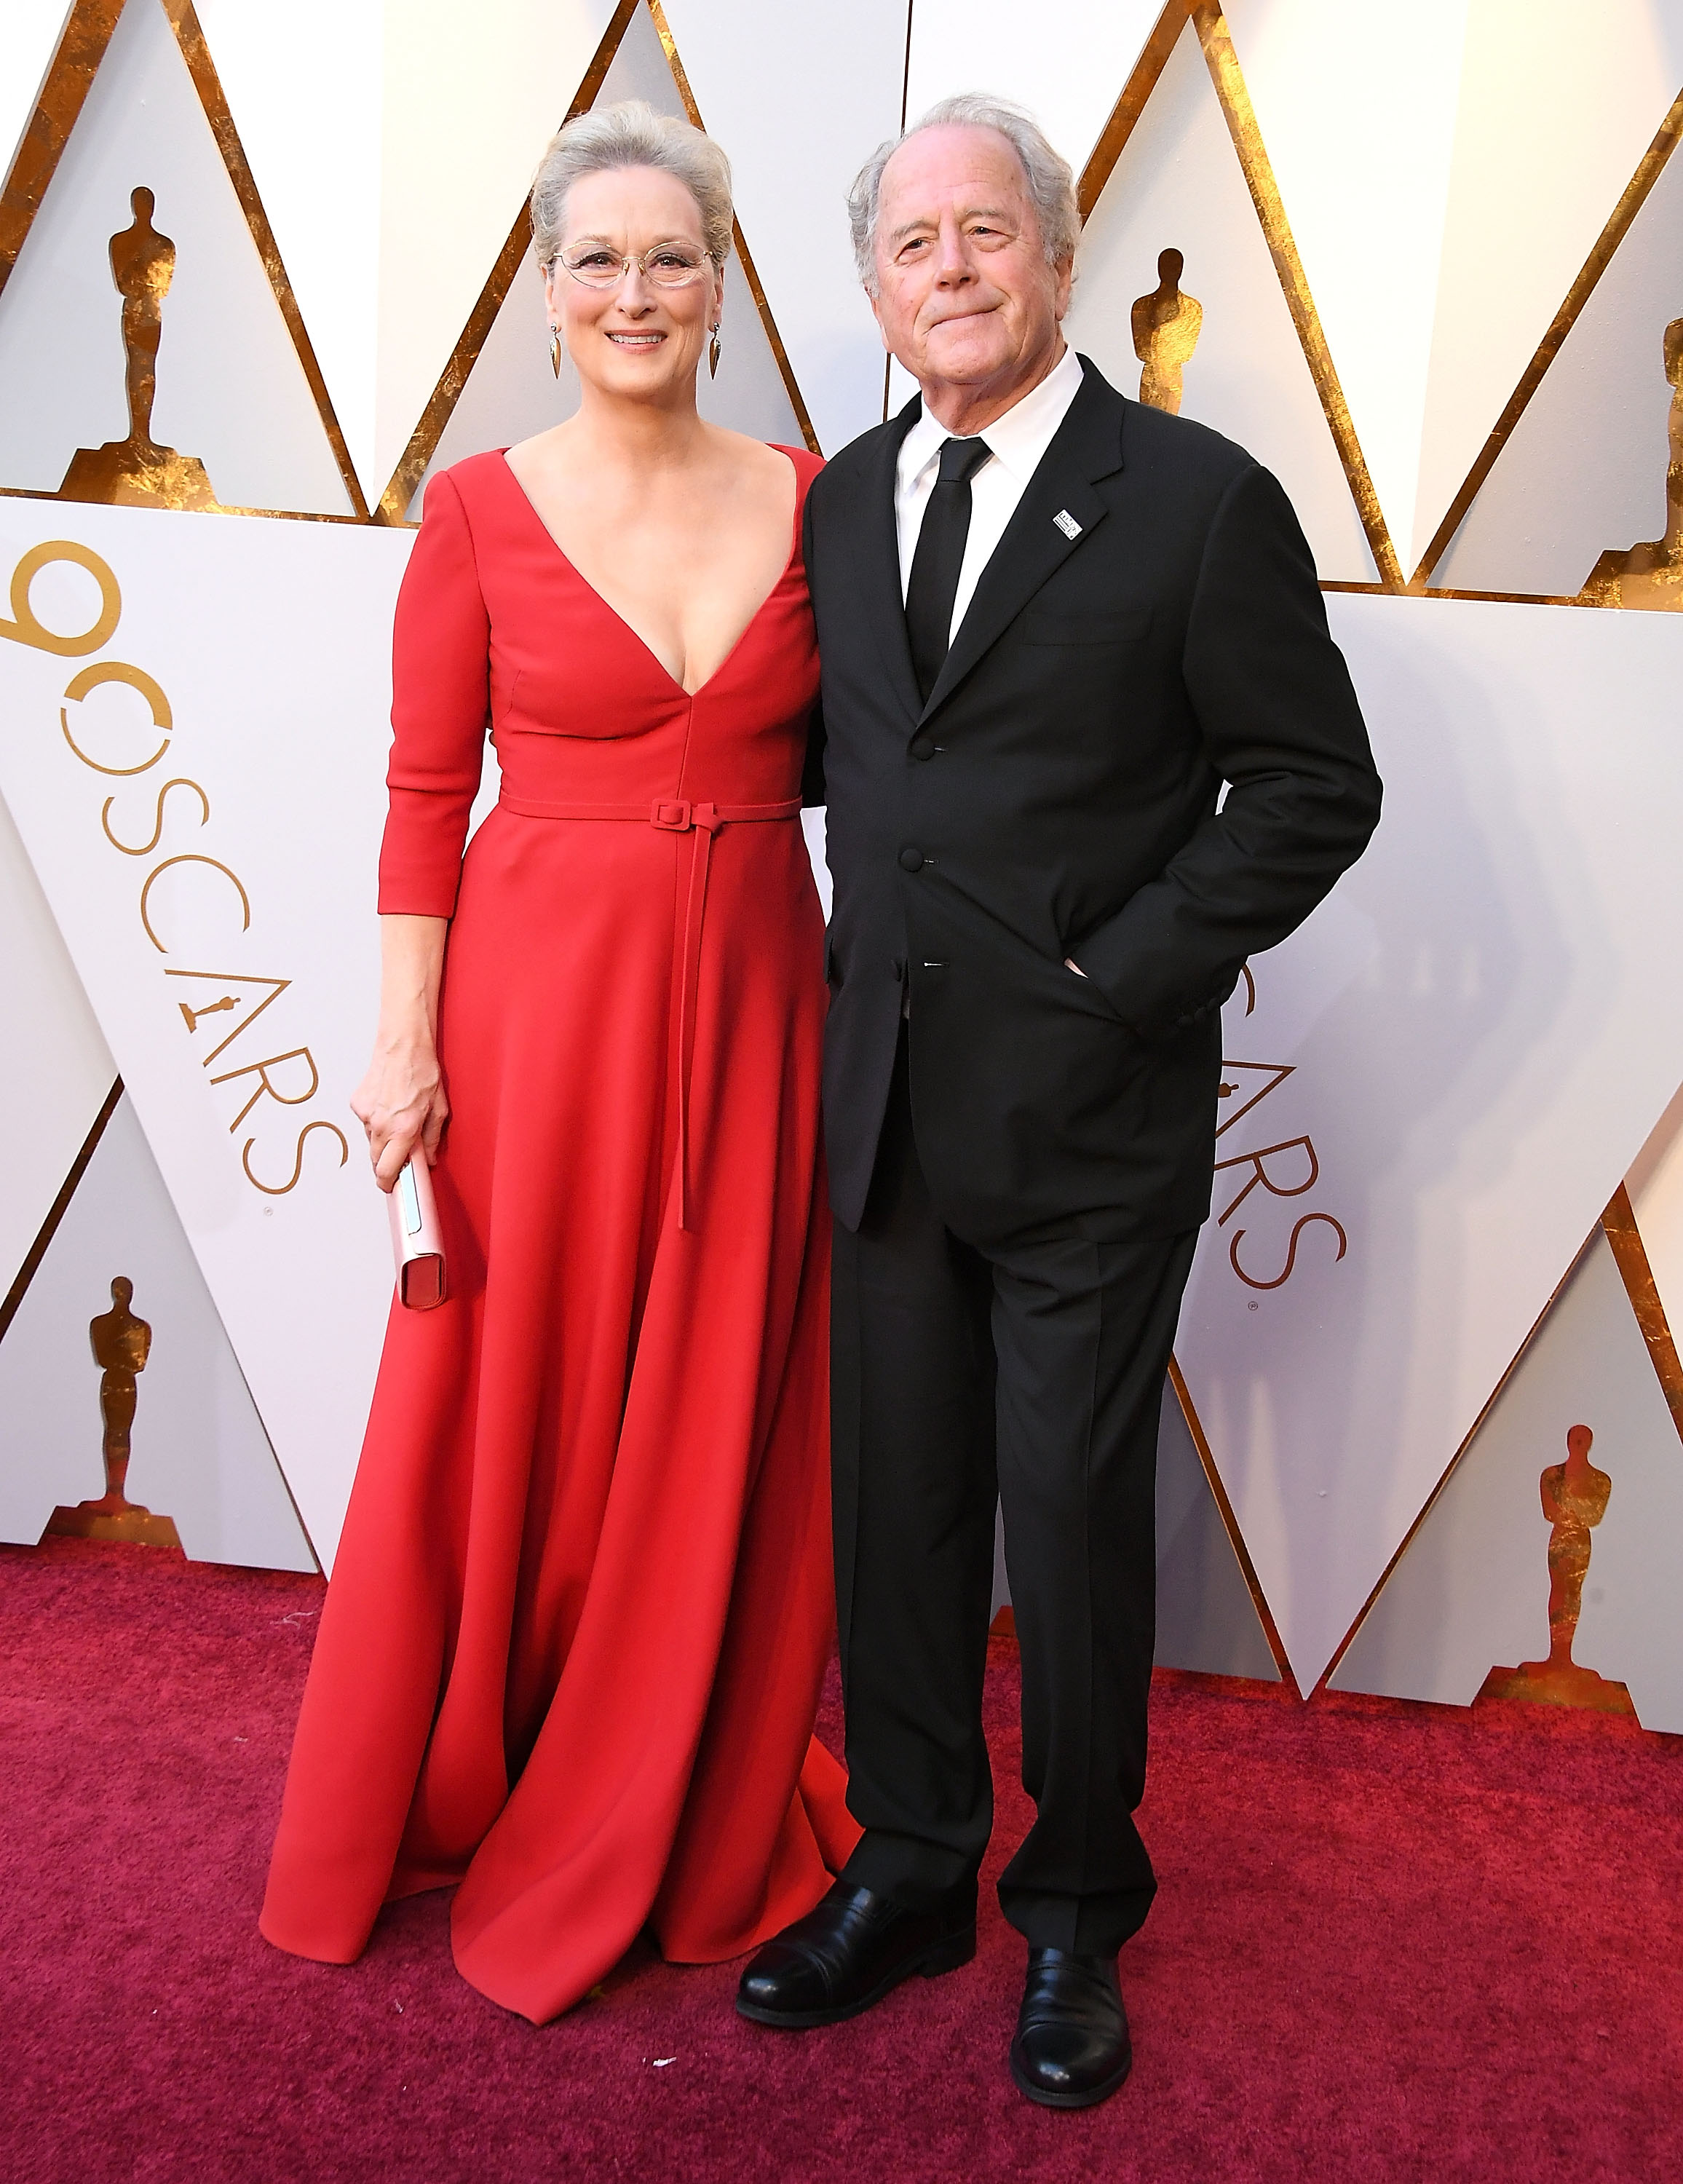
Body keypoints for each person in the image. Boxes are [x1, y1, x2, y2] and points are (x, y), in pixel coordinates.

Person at [736, 95, 1382, 2108]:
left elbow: (1311, 786)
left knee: (1073, 1534)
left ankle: (1078, 1912)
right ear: (874, 287)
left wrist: (1124, 973)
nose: (950, 269)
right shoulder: (840, 502)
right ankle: (918, 1867)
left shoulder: (1196, 500)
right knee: (899, 1527)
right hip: (888, 1116)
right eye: (913, 243)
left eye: (984, 232)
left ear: (1059, 253)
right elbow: (861, 773)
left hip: (1094, 1122)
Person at [261, 99, 855, 2024]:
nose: (634, 290)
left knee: (721, 1388)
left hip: (766, 997)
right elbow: (425, 793)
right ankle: (485, 1756)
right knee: (510, 1394)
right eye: (595, 259)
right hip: (537, 1013)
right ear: (541, 296)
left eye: (670, 257)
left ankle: (677, 1766)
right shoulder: (478, 508)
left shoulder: (813, 492)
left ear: (723, 285)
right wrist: (399, 1047)